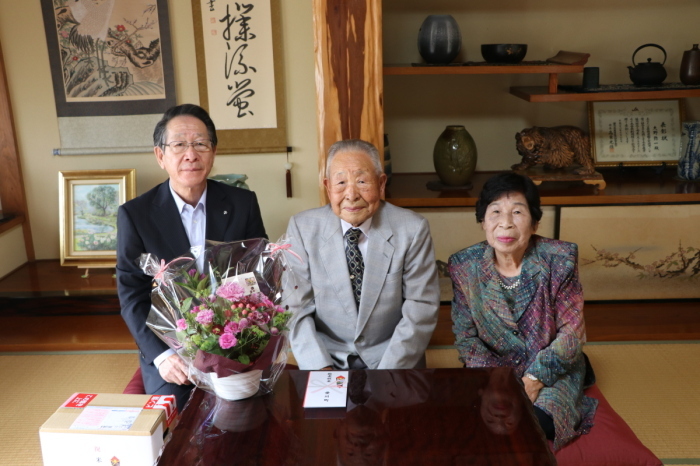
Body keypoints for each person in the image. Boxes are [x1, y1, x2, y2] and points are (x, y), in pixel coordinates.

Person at [116, 104, 267, 410]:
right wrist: (162, 356)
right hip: (173, 347)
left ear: (213, 152)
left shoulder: (242, 203)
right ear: (160, 156)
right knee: (179, 417)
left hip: (232, 337)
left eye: (200, 143)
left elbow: (258, 274)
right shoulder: (136, 215)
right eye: (179, 145)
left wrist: (243, 334)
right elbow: (132, 295)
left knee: (252, 410)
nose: (190, 154)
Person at [448, 172, 597, 450]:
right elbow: (466, 339)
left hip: (551, 369)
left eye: (517, 212)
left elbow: (571, 335)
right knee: (476, 421)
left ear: (535, 222)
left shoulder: (559, 259)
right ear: (483, 221)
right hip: (493, 372)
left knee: (537, 423)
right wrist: (502, 382)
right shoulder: (463, 266)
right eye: (495, 212)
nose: (505, 223)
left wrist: (532, 380)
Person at [286, 139, 439, 370]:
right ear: (328, 186)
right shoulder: (302, 228)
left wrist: (387, 375)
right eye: (340, 182)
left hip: (394, 360)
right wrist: (320, 369)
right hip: (328, 359)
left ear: (381, 183)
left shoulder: (412, 229)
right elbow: (296, 309)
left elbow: (421, 307)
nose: (351, 194)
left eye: (362, 181)